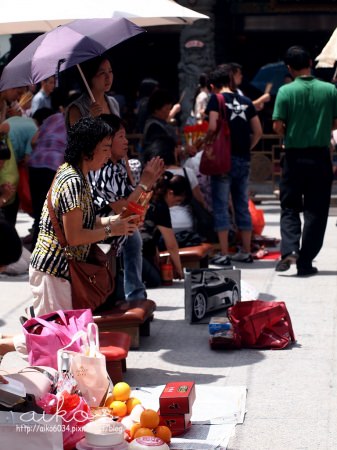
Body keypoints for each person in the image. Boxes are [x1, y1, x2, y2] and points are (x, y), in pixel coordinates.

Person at [29, 116, 138, 317]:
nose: (107, 154)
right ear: (88, 149)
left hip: (59, 272)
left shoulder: (77, 175)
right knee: (57, 338)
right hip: (54, 272)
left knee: (61, 337)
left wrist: (113, 221)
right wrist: (110, 229)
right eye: (104, 148)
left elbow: (84, 221)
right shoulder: (74, 181)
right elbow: (75, 236)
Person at [273, 46, 337, 276]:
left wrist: (292, 131)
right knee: (316, 211)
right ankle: (306, 260)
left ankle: (290, 250)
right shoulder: (330, 90)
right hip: (320, 157)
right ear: (311, 62)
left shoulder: (285, 91)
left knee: (289, 206)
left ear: (289, 68)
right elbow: (335, 123)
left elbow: (277, 125)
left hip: (293, 157)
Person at [89, 114, 164, 302]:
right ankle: (128, 297)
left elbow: (136, 205)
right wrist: (145, 183)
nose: (125, 141)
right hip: (100, 237)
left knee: (134, 239)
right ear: (106, 141)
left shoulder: (119, 163)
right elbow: (125, 211)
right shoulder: (102, 170)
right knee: (111, 295)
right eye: (120, 137)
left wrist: (149, 183)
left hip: (119, 230)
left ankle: (136, 294)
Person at [205, 64, 263, 265]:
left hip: (223, 161)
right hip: (243, 159)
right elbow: (258, 131)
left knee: (221, 206)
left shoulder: (216, 99)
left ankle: (224, 252)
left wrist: (206, 143)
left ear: (212, 85)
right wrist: (247, 147)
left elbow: (212, 126)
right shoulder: (246, 101)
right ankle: (246, 251)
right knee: (241, 205)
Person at [28, 109, 67, 249]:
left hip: (35, 165)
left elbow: (34, 141)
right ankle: (43, 252)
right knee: (51, 213)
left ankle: (36, 248)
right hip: (52, 168)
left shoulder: (53, 117)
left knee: (40, 212)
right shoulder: (76, 123)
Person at [141, 171, 185, 287]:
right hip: (138, 250)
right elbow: (171, 244)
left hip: (140, 247)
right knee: (155, 281)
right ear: (170, 193)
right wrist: (179, 270)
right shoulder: (161, 207)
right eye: (178, 201)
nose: (176, 205)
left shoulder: (151, 199)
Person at [66, 55, 120, 128]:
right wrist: (90, 119)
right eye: (102, 73)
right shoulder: (76, 109)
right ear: (90, 77)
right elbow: (76, 138)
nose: (108, 77)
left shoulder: (113, 103)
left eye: (110, 71)